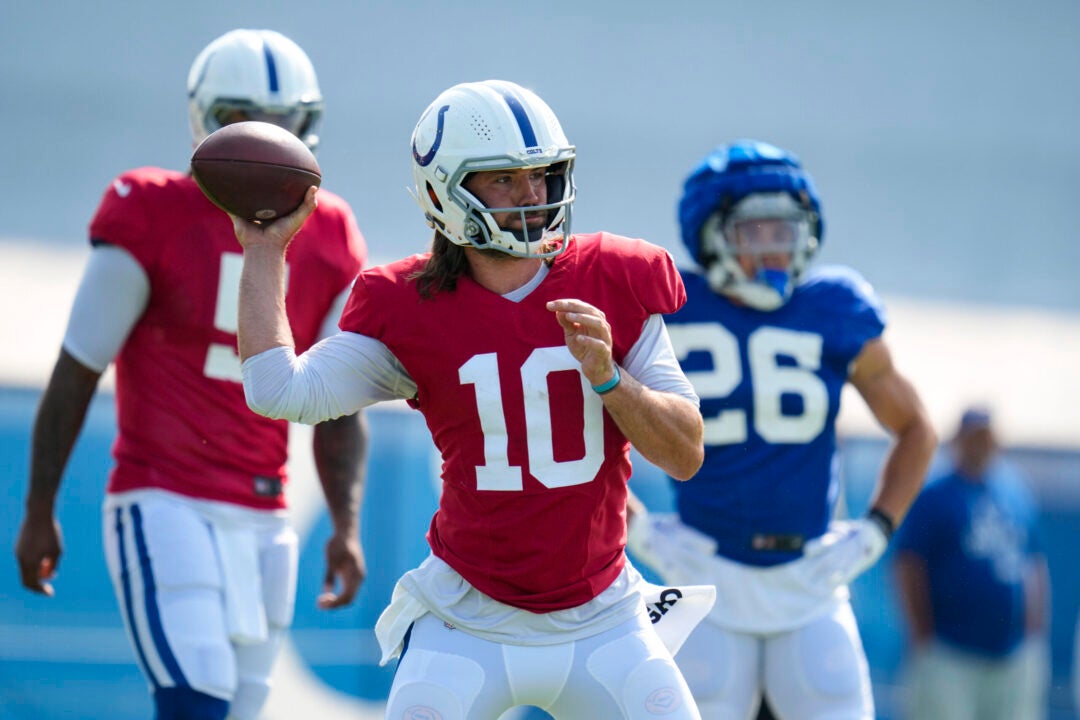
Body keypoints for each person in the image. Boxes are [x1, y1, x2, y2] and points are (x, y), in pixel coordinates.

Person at [234, 79, 713, 719]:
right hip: (467, 618)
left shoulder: (614, 277)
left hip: (606, 619)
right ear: (443, 193)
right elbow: (279, 392)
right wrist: (265, 251)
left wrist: (609, 378)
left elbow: (685, 453)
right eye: (504, 180)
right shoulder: (408, 305)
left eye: (541, 174)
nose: (532, 194)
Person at [14, 29, 370, 720]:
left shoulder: (331, 232)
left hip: (265, 512)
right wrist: (38, 509)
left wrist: (347, 524)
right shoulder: (147, 210)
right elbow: (77, 369)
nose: (267, 141)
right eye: (248, 122)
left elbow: (341, 402)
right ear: (208, 118)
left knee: (237, 710)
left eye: (284, 123)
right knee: (196, 696)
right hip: (163, 495)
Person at [626, 139, 937, 719]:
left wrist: (874, 531)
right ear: (712, 234)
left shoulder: (834, 307)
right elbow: (581, 424)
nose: (775, 250)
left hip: (810, 582)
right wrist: (637, 530)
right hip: (704, 578)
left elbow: (917, 428)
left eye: (785, 232)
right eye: (756, 233)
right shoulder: (669, 305)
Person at [893, 407, 1050, 720]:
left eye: (987, 438)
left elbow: (1033, 561)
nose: (981, 445)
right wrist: (922, 633)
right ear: (958, 441)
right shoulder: (935, 495)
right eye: (975, 438)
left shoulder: (1014, 492)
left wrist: (1034, 629)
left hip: (1012, 652)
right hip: (950, 651)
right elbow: (908, 564)